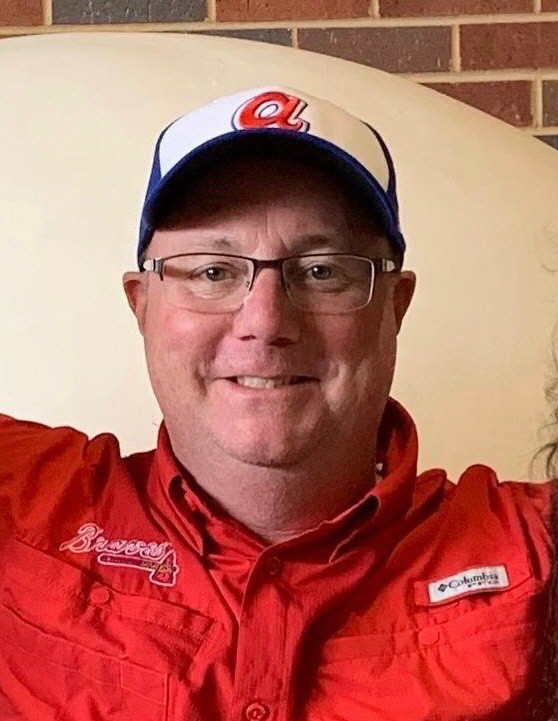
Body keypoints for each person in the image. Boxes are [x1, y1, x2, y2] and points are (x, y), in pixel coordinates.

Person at [0, 86, 552, 721]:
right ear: (140, 304)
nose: (265, 322)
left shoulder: (533, 554)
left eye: (321, 271)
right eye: (212, 271)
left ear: (394, 308)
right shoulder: (24, 502)